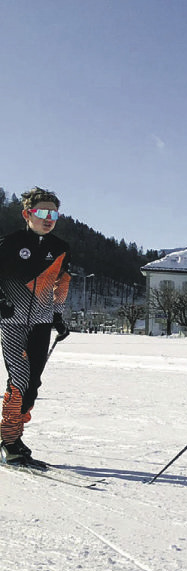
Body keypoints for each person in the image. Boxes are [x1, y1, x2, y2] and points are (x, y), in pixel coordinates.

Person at [0, 187, 71, 468]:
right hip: (13, 322)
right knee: (19, 380)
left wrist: (57, 315)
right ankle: (9, 441)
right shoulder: (9, 243)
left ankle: (11, 434)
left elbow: (61, 283)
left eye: (53, 213)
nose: (48, 217)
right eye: (42, 212)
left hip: (41, 324)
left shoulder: (60, 248)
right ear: (27, 214)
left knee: (32, 385)